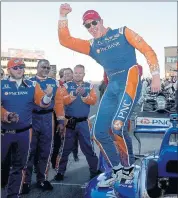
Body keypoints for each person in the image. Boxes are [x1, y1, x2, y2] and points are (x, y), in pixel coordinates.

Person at [58, 3, 161, 187]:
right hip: (112, 86)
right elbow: (65, 40)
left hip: (130, 80)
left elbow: (147, 50)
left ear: (101, 21)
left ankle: (128, 170)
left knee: (117, 127)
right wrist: (63, 16)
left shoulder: (122, 32)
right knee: (98, 132)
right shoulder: (91, 45)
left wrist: (155, 76)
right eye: (87, 25)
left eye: (94, 22)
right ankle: (117, 170)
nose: (91, 27)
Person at [1, 58, 53, 198]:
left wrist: (48, 95)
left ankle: (13, 195)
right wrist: (6, 115)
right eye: (16, 67)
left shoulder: (32, 85)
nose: (19, 70)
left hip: (25, 132)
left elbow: (42, 103)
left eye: (22, 67)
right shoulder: (1, 84)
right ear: (9, 69)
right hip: (4, 133)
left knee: (18, 166)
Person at [22, 59, 65, 193]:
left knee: (46, 150)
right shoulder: (28, 82)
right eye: (43, 67)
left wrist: (61, 121)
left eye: (48, 68)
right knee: (29, 151)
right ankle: (25, 182)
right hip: (32, 118)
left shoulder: (54, 83)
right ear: (37, 67)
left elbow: (58, 103)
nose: (45, 69)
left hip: (48, 119)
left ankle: (42, 179)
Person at [54, 64, 99, 181]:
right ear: (73, 74)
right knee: (65, 148)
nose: (78, 75)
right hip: (70, 122)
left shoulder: (90, 86)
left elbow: (94, 101)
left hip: (84, 123)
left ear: (84, 74)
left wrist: (85, 94)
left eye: (80, 73)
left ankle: (94, 170)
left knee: (88, 148)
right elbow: (61, 101)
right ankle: (60, 172)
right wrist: (73, 95)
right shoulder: (65, 86)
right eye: (76, 73)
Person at [64, 67, 79, 161]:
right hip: (64, 117)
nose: (67, 75)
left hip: (74, 117)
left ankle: (75, 154)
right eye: (65, 74)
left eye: (69, 73)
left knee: (75, 138)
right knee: (65, 138)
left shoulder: (77, 85)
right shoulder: (62, 86)